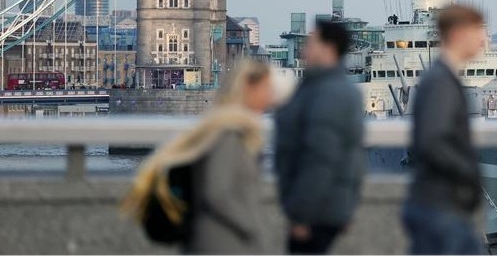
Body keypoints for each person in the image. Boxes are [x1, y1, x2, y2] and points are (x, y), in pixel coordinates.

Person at [122, 60, 276, 254]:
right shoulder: (228, 134)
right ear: (247, 88)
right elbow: (217, 193)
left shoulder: (220, 127)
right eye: (266, 88)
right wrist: (252, 226)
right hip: (221, 242)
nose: (270, 96)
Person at [275, 19, 365, 255]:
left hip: (314, 212)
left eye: (311, 42)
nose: (304, 49)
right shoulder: (334, 89)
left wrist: (301, 216)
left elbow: (319, 159)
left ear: (329, 48)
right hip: (327, 208)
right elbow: (354, 157)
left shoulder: (327, 93)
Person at [402, 4, 486, 255]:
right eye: (478, 32)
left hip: (438, 205)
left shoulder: (440, 77)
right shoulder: (441, 82)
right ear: (459, 33)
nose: (483, 41)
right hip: (441, 206)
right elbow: (432, 141)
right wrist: (468, 172)